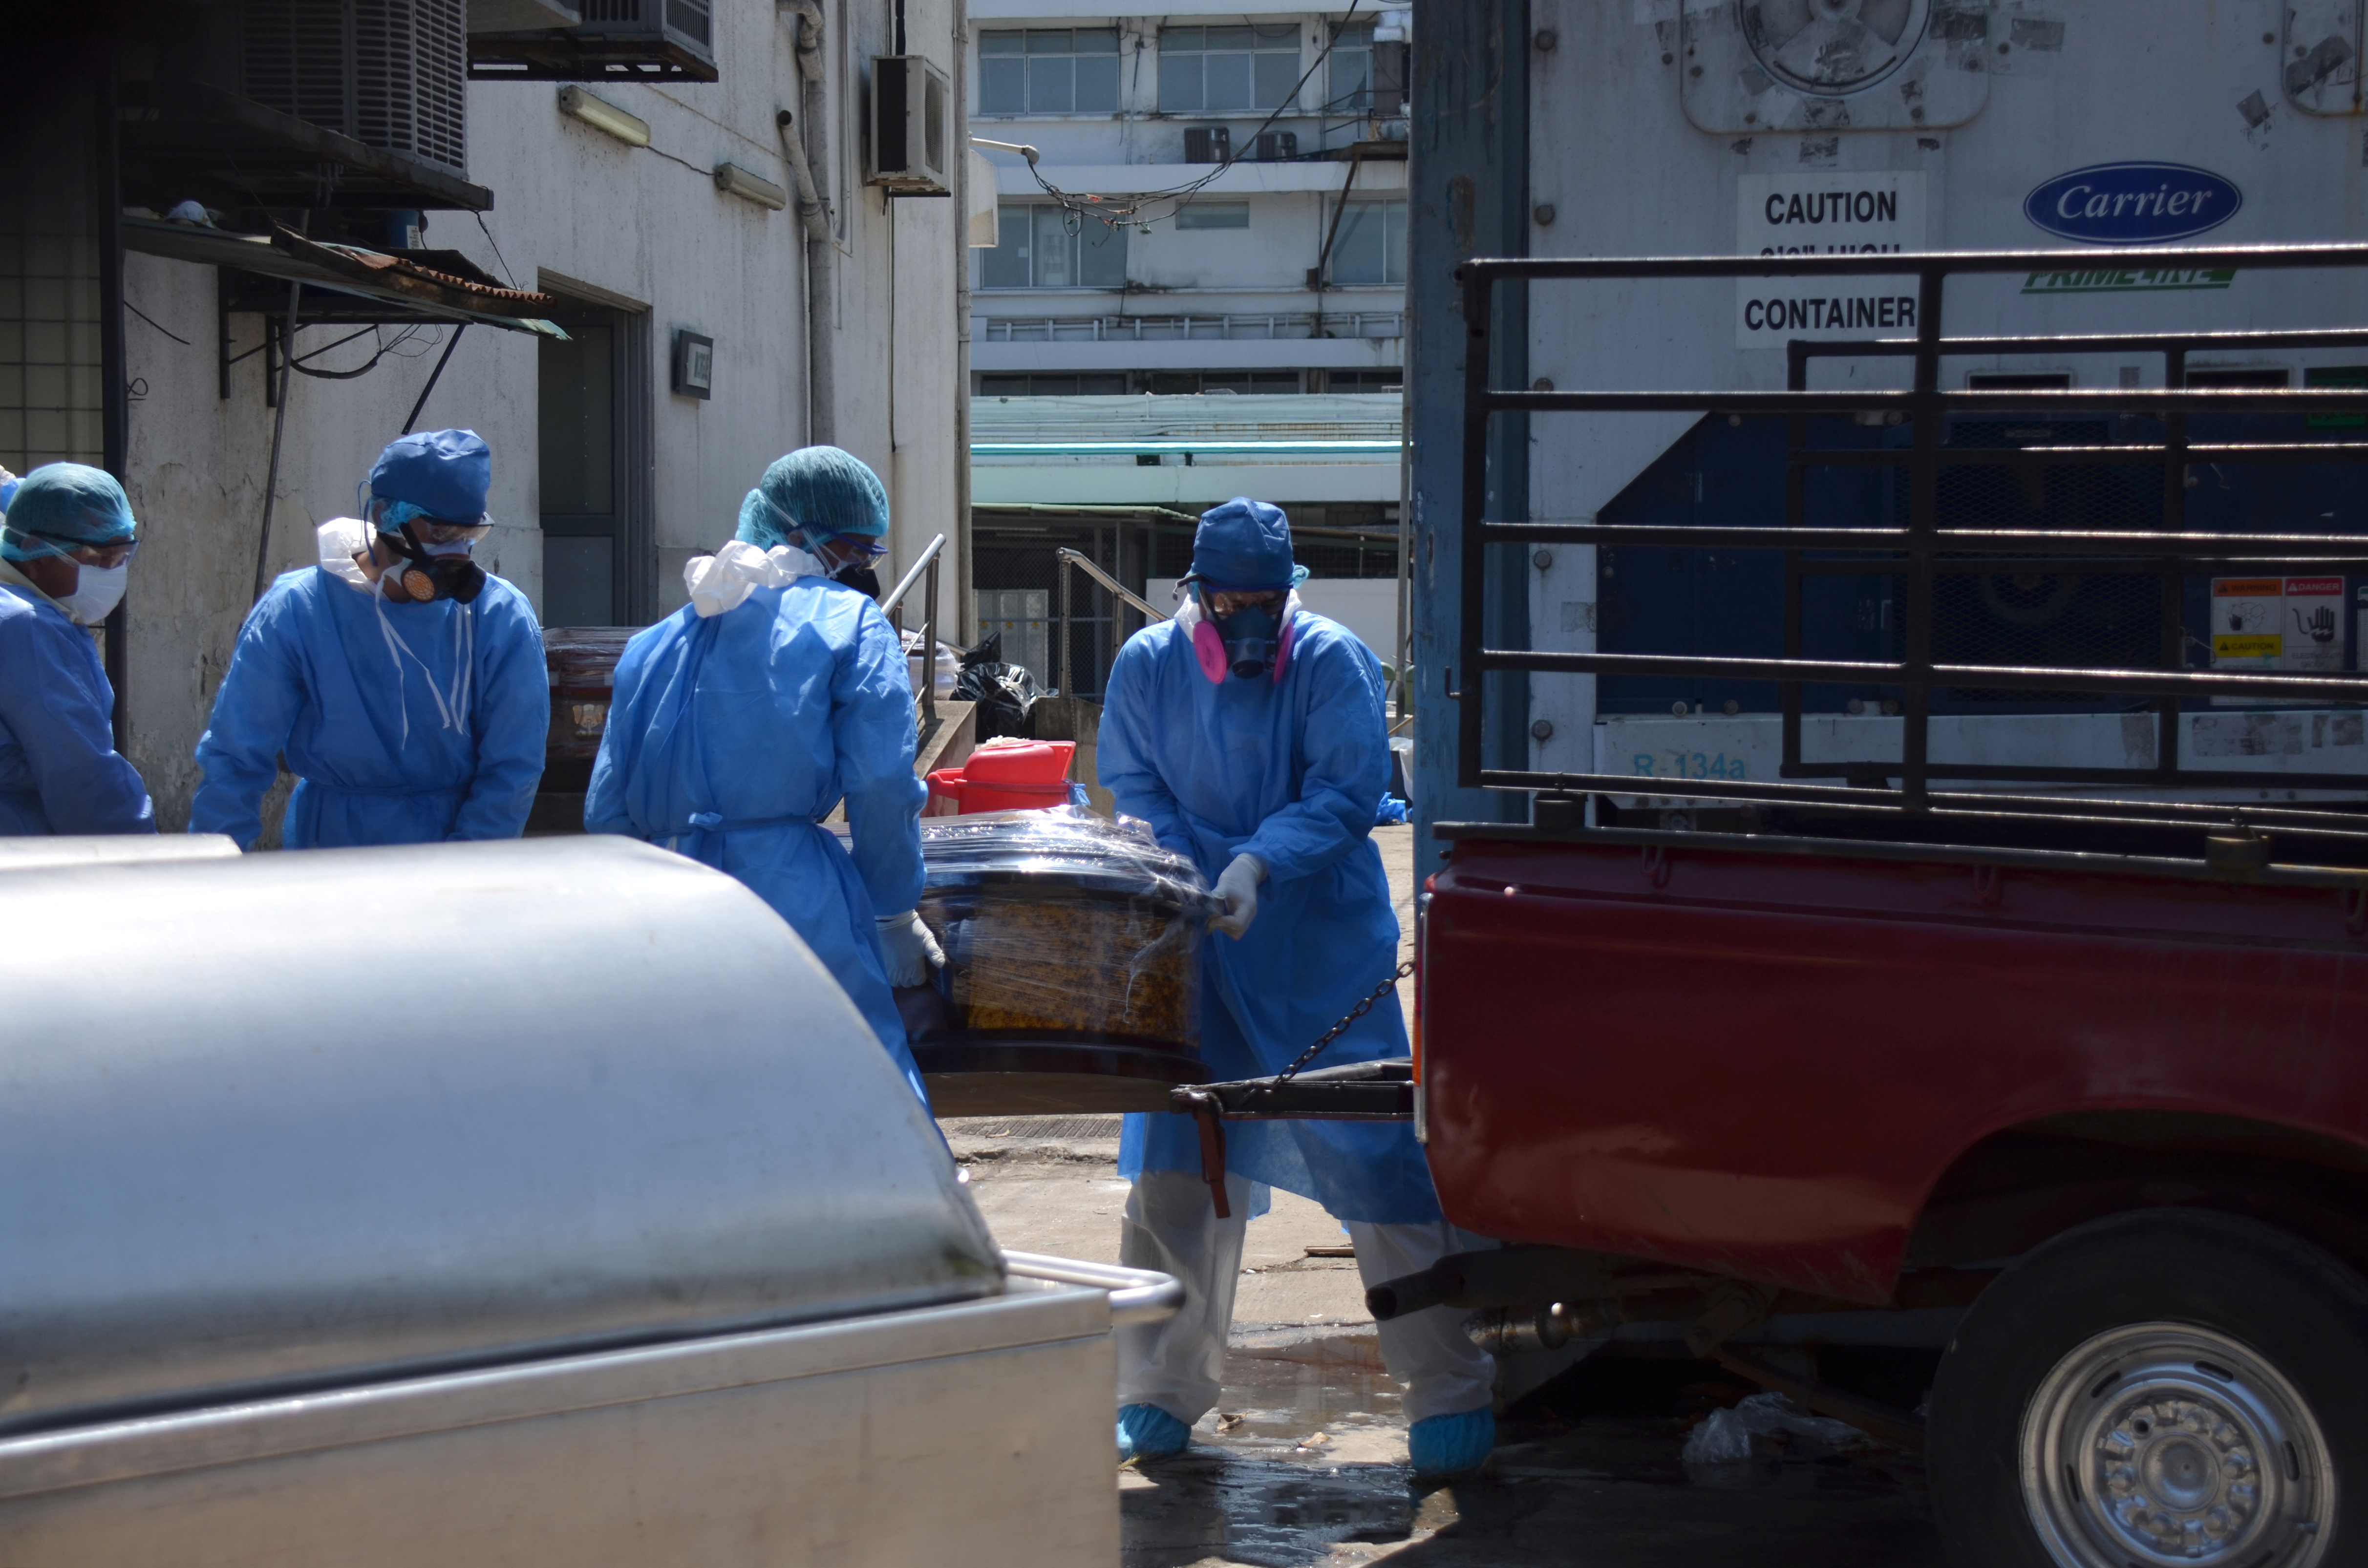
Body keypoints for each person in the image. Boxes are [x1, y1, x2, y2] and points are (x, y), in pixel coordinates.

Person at [1098, 497, 1499, 1479]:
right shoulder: (1147, 664)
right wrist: (1190, 874)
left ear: (1289, 598)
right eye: (1226, 599)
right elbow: (1134, 787)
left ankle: (1446, 1386)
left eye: (1262, 602)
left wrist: (1260, 865)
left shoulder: (1326, 660)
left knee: (1376, 1167)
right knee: (1172, 1173)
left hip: (1316, 948)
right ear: (1193, 592)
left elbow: (1344, 794)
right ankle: (1157, 1389)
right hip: (1192, 949)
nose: (1244, 621)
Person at [585, 446, 940, 1104]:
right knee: (849, 1103)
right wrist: (892, 907)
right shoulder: (851, 624)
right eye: (855, 552)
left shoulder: (653, 644)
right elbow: (881, 784)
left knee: (687, 1108)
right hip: (791, 897)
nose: (860, 571)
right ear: (798, 533)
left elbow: (607, 812)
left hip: (664, 907)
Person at [189, 429, 547, 848]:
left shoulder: (497, 616)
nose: (458, 552)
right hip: (330, 845)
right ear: (384, 515)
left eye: (469, 535)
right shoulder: (299, 609)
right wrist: (213, 871)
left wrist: (466, 866)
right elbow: (236, 753)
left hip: (453, 847)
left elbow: (514, 765)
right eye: (440, 534)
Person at [0, 463, 155, 834]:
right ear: (36, 556)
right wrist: (144, 861)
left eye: (122, 557)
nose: (113, 572)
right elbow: (80, 775)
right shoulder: (28, 627)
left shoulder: (25, 603)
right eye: (99, 560)